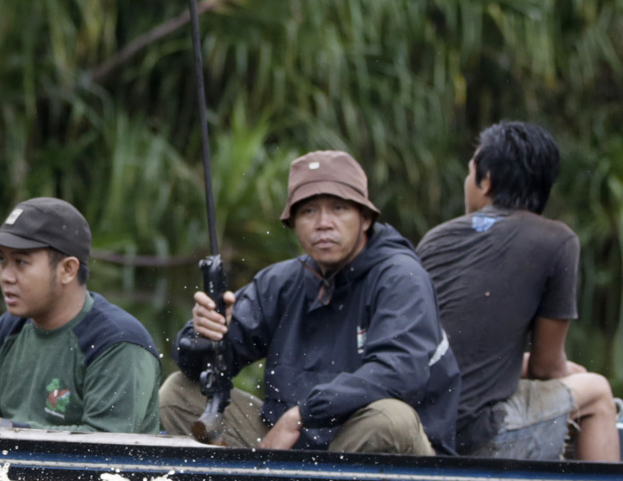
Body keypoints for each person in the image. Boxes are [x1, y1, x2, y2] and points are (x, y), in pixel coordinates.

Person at [160, 151, 460, 455]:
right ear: (293, 223)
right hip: (299, 449)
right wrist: (203, 334)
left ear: (365, 218)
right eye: (309, 212)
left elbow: (399, 373)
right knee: (177, 394)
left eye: (339, 209)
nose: (323, 223)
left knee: (391, 418)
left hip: (383, 448)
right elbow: (207, 365)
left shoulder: (401, 277)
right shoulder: (281, 281)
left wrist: (301, 415)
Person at [417, 122, 619, 460]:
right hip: (477, 435)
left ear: (487, 180)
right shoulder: (558, 240)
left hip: (423, 429)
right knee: (596, 391)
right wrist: (569, 371)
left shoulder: (436, 238)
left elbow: (449, 350)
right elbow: (546, 367)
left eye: (470, 173)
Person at [0, 198, 161, 433]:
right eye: (2, 260)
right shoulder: (9, 328)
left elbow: (107, 451)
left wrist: (7, 429)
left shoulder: (117, 344)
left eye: (21, 262)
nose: (6, 276)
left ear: (67, 270)